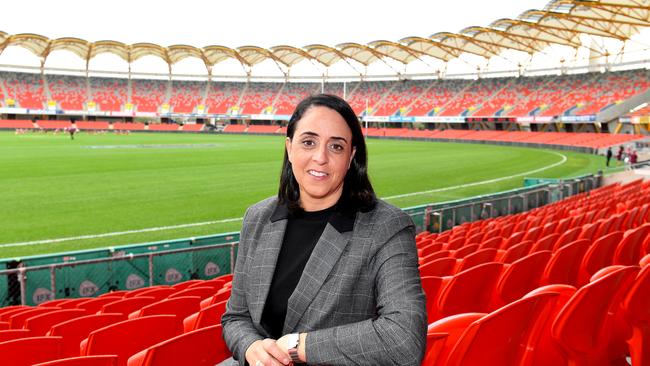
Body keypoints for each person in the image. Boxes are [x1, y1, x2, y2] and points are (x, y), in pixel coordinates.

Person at [221, 94, 427, 366]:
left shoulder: (386, 226)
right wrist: (252, 347)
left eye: (336, 147)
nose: (320, 157)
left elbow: (404, 339)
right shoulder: (258, 218)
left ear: (351, 156)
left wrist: (299, 346)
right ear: (289, 147)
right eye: (308, 142)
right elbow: (236, 318)